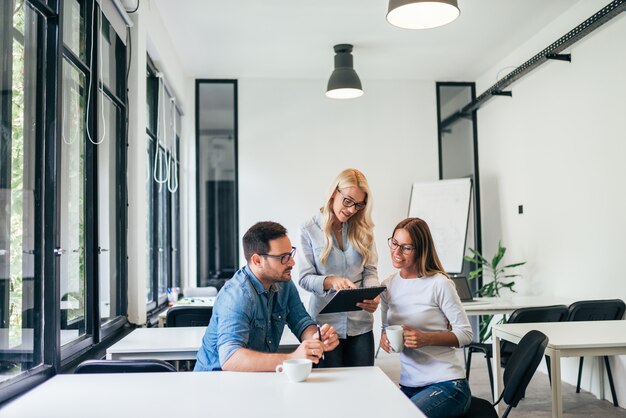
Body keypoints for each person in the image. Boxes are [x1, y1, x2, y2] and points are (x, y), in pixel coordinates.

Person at [194, 221, 339, 372]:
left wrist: (316, 339)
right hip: (216, 382)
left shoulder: (284, 283)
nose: (292, 262)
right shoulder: (237, 295)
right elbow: (231, 358)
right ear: (257, 261)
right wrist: (291, 358)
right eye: (283, 257)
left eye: (290, 254)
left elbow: (301, 321)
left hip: (256, 377)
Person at [379, 217, 473, 418]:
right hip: (409, 385)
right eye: (394, 243)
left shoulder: (439, 284)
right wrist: (384, 339)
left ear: (421, 250)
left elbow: (465, 334)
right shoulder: (387, 286)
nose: (396, 252)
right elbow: (385, 328)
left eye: (406, 247)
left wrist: (425, 338)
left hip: (448, 384)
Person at [298, 168, 380, 367]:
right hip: (325, 326)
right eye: (348, 201)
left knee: (362, 387)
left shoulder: (363, 229)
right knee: (330, 391)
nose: (352, 209)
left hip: (360, 325)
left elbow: (370, 270)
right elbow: (304, 278)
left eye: (359, 205)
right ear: (334, 192)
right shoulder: (309, 228)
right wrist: (331, 281)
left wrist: (372, 293)